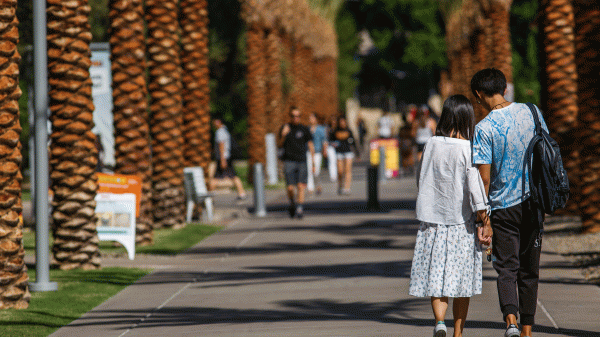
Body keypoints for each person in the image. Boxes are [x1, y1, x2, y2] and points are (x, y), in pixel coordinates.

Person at [471, 68, 547, 337]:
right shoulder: (533, 112)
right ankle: (527, 329)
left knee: (506, 268)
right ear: (504, 88)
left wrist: (483, 218)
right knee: (530, 269)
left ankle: (511, 321)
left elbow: (484, 178)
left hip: (503, 208)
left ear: (479, 95)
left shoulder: (483, 128)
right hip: (534, 204)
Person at [409, 94, 492, 337]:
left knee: (437, 278)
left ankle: (439, 322)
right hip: (461, 224)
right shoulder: (468, 149)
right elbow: (475, 188)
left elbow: (420, 179)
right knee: (461, 283)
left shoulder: (431, 144)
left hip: (432, 222)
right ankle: (457, 332)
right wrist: (484, 218)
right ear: (468, 118)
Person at [279, 107, 315, 218]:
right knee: (290, 188)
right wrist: (283, 135)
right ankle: (292, 203)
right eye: (294, 116)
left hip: (302, 161)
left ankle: (299, 208)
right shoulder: (285, 128)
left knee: (300, 186)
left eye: (298, 116)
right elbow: (278, 144)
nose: (296, 118)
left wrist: (313, 163)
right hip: (289, 160)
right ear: (290, 117)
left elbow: (310, 145)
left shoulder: (304, 129)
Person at [209, 118, 246, 200]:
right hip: (226, 157)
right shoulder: (225, 130)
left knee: (215, 178)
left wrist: (222, 160)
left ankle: (209, 198)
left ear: (218, 121)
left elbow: (221, 145)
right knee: (233, 176)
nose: (213, 124)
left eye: (214, 121)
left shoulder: (220, 132)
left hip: (223, 158)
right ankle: (241, 193)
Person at [331, 116, 358, 195]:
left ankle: (347, 188)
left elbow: (353, 142)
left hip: (348, 152)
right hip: (339, 152)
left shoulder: (349, 131)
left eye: (344, 122)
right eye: (341, 122)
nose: (342, 123)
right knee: (340, 171)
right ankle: (340, 185)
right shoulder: (335, 131)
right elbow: (331, 140)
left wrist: (357, 152)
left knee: (348, 170)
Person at [307, 112, 328, 195]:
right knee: (309, 170)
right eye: (310, 118)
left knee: (316, 171)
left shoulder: (320, 129)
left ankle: (318, 184)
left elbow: (324, 140)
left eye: (312, 117)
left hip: (317, 152)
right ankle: (310, 188)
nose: (310, 119)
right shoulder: (307, 129)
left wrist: (325, 150)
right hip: (308, 152)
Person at [326, 117, 338, 182]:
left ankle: (338, 174)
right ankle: (333, 176)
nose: (333, 122)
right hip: (330, 147)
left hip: (338, 147)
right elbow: (327, 138)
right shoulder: (328, 129)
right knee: (332, 161)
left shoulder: (338, 129)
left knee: (337, 161)